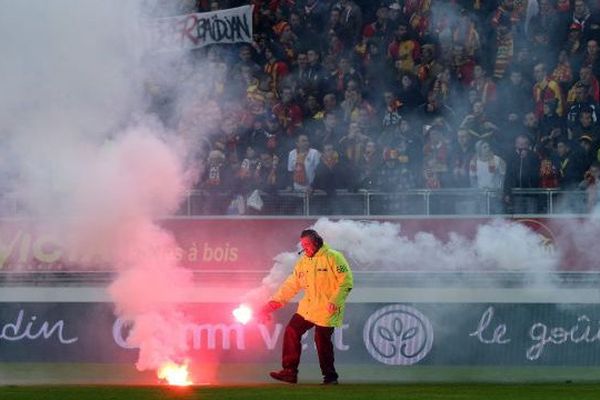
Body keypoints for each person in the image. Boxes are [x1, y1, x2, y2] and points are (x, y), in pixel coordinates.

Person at [261, 229, 353, 385]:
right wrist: (272, 304)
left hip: (327, 308)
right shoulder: (303, 261)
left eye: (307, 244)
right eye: (303, 245)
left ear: (317, 242)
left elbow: (347, 281)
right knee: (292, 330)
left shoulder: (334, 257)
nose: (305, 248)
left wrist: (335, 301)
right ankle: (289, 372)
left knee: (321, 340)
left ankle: (330, 377)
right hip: (308, 308)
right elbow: (291, 285)